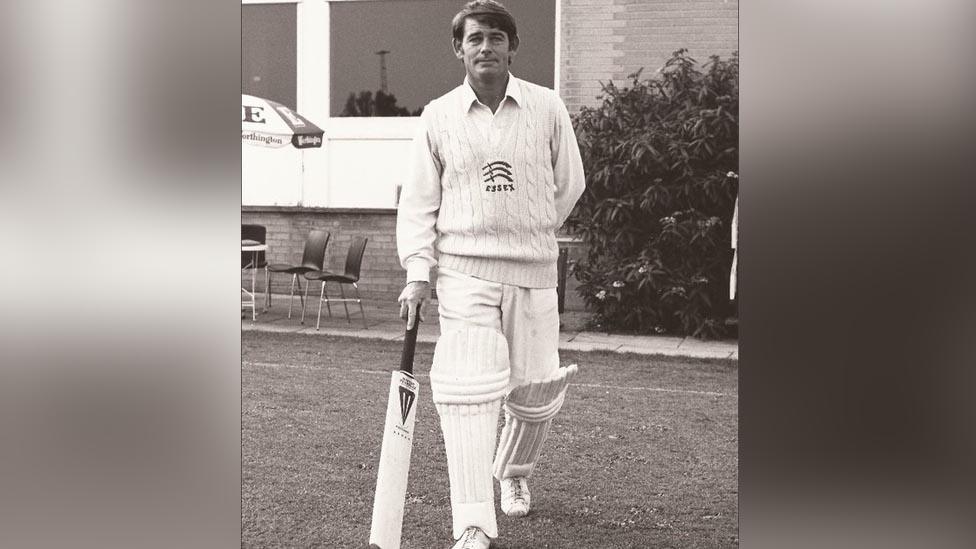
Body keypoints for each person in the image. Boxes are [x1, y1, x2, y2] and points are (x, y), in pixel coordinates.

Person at [396, 1, 586, 547]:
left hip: (533, 274)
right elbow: (419, 202)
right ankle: (473, 521)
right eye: (475, 38)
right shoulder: (437, 116)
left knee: (534, 394)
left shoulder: (547, 107)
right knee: (468, 391)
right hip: (463, 275)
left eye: (497, 38)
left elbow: (569, 182)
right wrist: (418, 272)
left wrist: (529, 230)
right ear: (459, 48)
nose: (486, 47)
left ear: (512, 46)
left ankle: (515, 476)